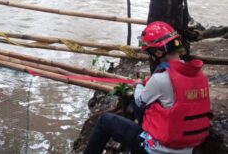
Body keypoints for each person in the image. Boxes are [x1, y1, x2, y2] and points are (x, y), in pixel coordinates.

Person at [84, 21, 211, 154]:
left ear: (157, 52)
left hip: (158, 149)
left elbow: (140, 100)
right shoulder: (199, 75)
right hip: (188, 148)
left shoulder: (160, 79)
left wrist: (138, 84)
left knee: (105, 120)